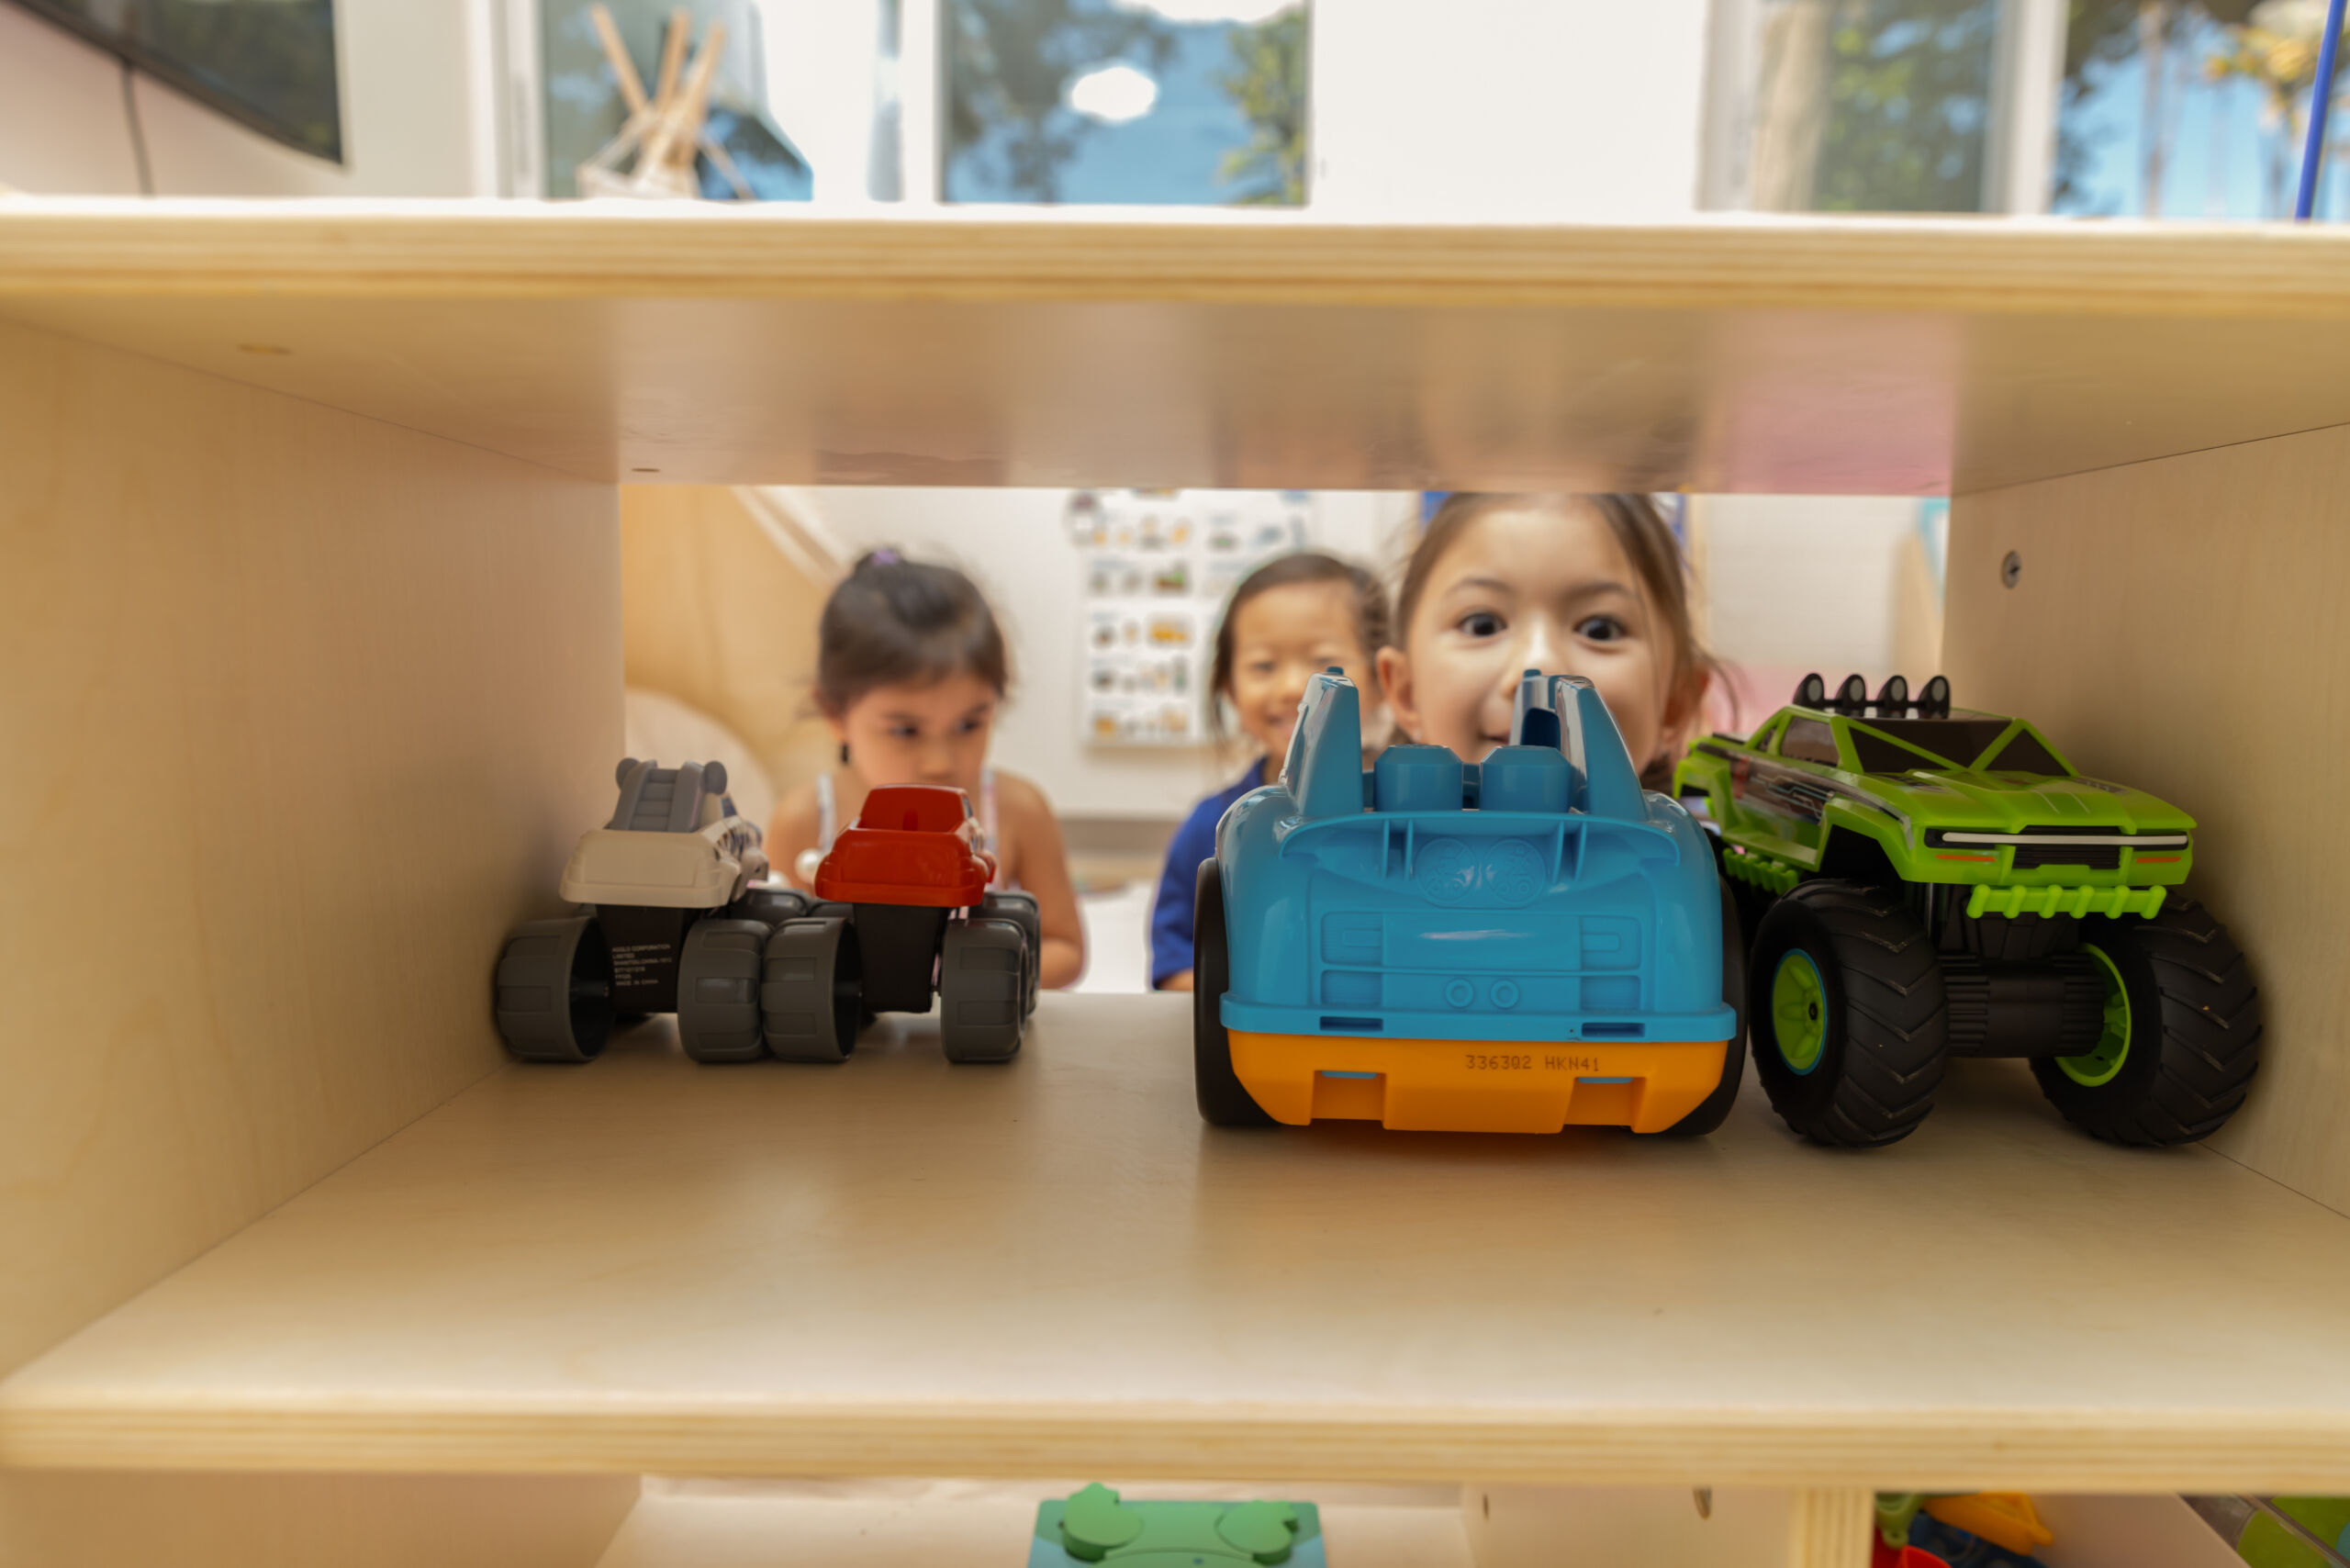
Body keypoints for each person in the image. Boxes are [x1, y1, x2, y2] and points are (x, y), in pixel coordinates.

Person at [768, 550, 1086, 990]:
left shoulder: (1018, 810)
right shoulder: (803, 818)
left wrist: (979, 980)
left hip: (978, 1035)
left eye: (969, 724)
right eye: (905, 731)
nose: (941, 762)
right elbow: (777, 955)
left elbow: (1065, 947)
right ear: (834, 714)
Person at [1150, 552, 1392, 991]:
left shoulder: (1411, 818)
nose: (1290, 688)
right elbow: (1174, 969)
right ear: (1229, 686)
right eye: (1263, 666)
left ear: (1383, 679)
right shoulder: (1208, 827)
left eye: (1325, 663)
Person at [1375, 492, 1718, 787]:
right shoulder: (1363, 858)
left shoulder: (1694, 861)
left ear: (1675, 704)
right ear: (1407, 693)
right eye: (1482, 625)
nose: (1539, 665)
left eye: (1600, 629)